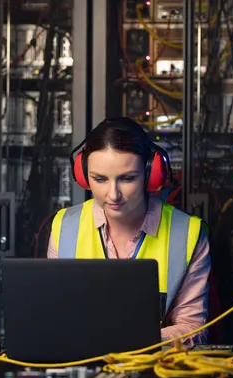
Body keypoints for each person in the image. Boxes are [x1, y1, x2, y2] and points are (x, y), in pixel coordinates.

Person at [47, 117, 211, 346]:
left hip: (155, 372)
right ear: (84, 177)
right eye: (100, 179)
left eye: (127, 178)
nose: (113, 195)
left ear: (150, 174)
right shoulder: (64, 227)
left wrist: (125, 341)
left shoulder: (189, 234)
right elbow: (56, 320)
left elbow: (193, 330)